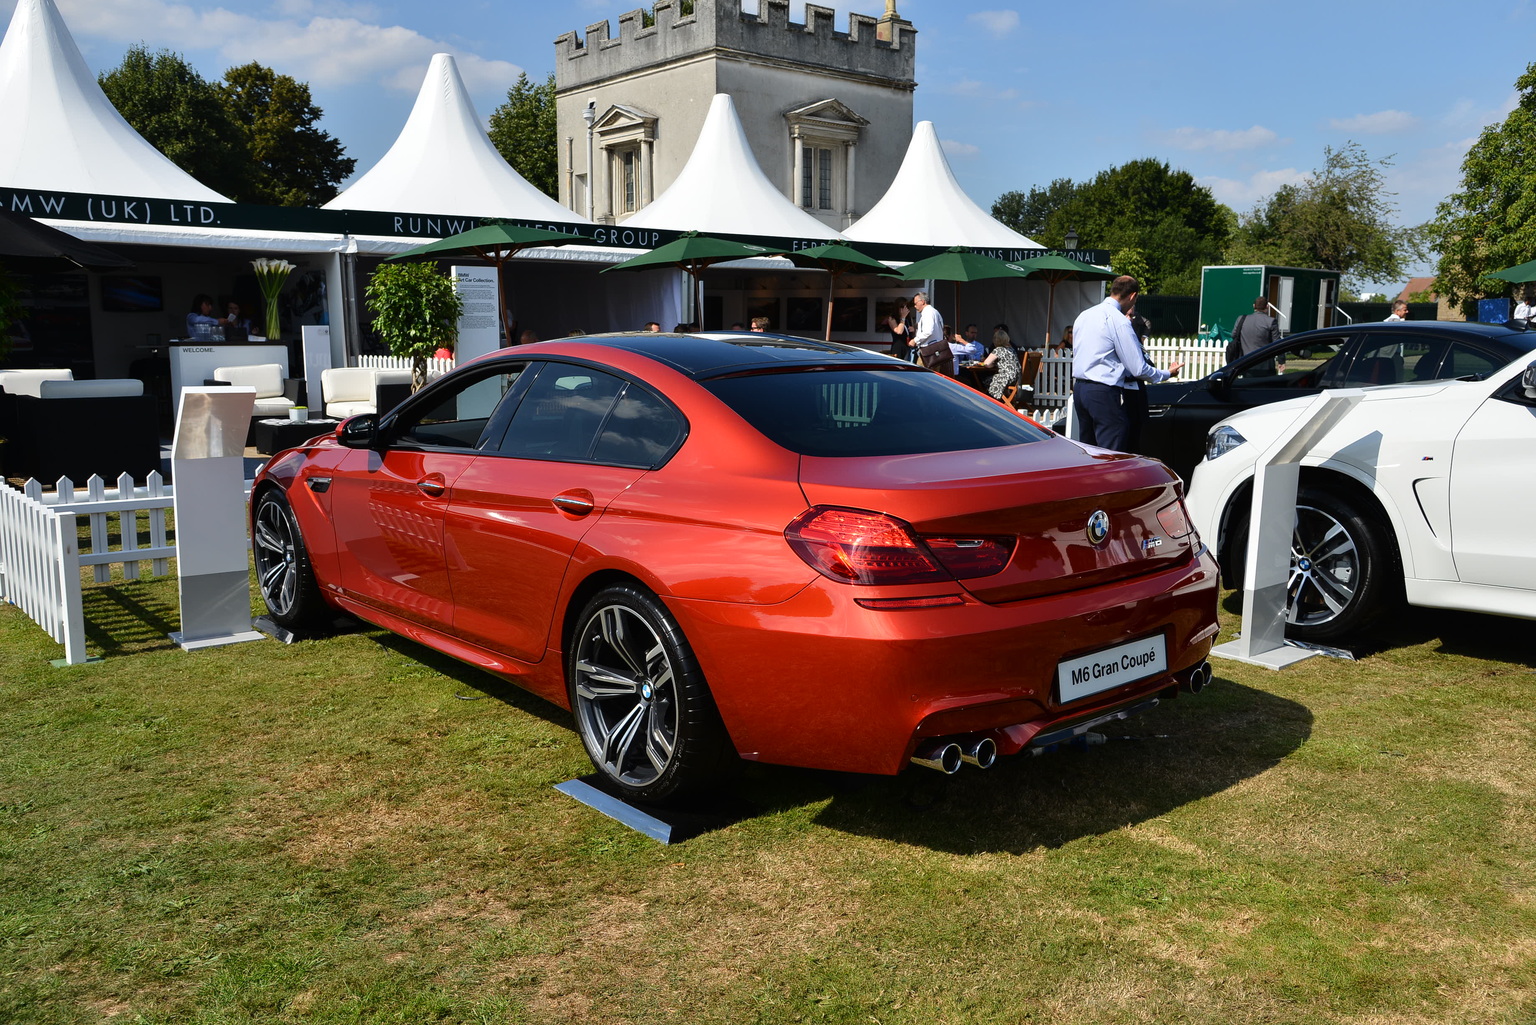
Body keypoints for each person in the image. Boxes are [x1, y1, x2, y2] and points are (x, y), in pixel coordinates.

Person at [1070, 275, 1183, 451]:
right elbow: (1138, 368)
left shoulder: (1084, 315)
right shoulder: (1118, 320)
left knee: (1089, 450)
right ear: (1132, 296)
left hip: (1080, 389)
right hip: (1103, 391)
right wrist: (1167, 373)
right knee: (1111, 452)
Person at [973, 327, 1021, 402]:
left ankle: (989, 400)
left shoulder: (998, 350)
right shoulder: (1011, 349)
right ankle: (1007, 400)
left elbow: (986, 363)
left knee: (984, 380)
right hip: (1016, 378)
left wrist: (987, 364)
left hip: (1006, 378)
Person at [1225, 297, 1279, 363]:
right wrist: (1281, 360)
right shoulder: (1271, 321)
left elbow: (1234, 335)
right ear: (1267, 306)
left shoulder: (1241, 319)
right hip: (1265, 361)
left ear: (1254, 306)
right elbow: (1277, 342)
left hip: (1245, 360)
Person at [910, 291, 946, 370]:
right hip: (936, 351)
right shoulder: (935, 312)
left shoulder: (928, 312)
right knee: (933, 377)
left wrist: (915, 340)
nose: (915, 306)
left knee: (921, 377)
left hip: (928, 352)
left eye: (915, 303)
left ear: (922, 302)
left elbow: (928, 331)